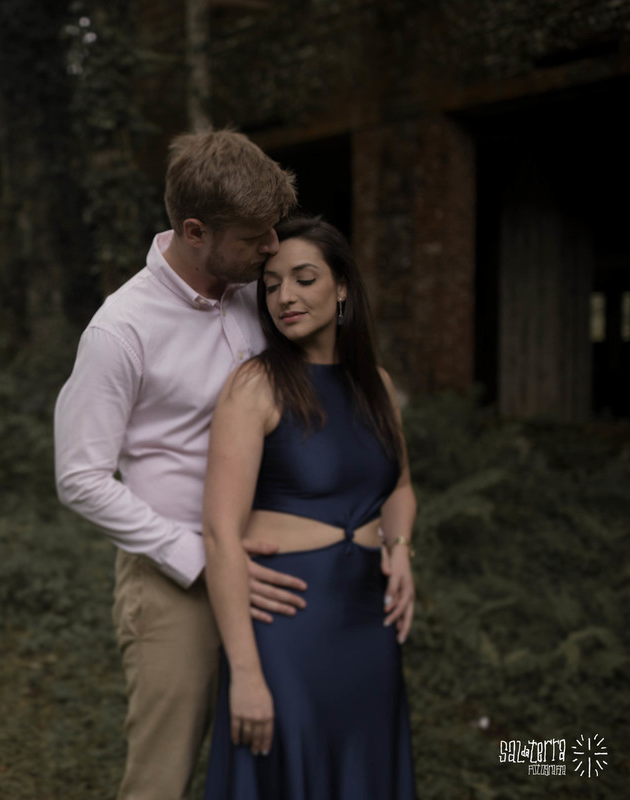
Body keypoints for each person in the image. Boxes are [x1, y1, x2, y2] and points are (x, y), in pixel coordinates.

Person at [54, 129, 304, 800]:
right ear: (196, 231)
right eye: (256, 235)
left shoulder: (260, 291)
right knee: (162, 780)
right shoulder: (120, 331)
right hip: (176, 582)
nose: (273, 246)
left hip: (277, 562)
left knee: (274, 757)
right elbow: (79, 477)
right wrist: (194, 556)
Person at [201, 215, 417, 799]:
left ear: (342, 286)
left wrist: (400, 549)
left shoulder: (375, 383)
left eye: (303, 278)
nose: (285, 297)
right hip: (287, 628)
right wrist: (245, 673)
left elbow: (398, 488)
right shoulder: (255, 385)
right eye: (271, 285)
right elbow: (220, 533)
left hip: (368, 625)